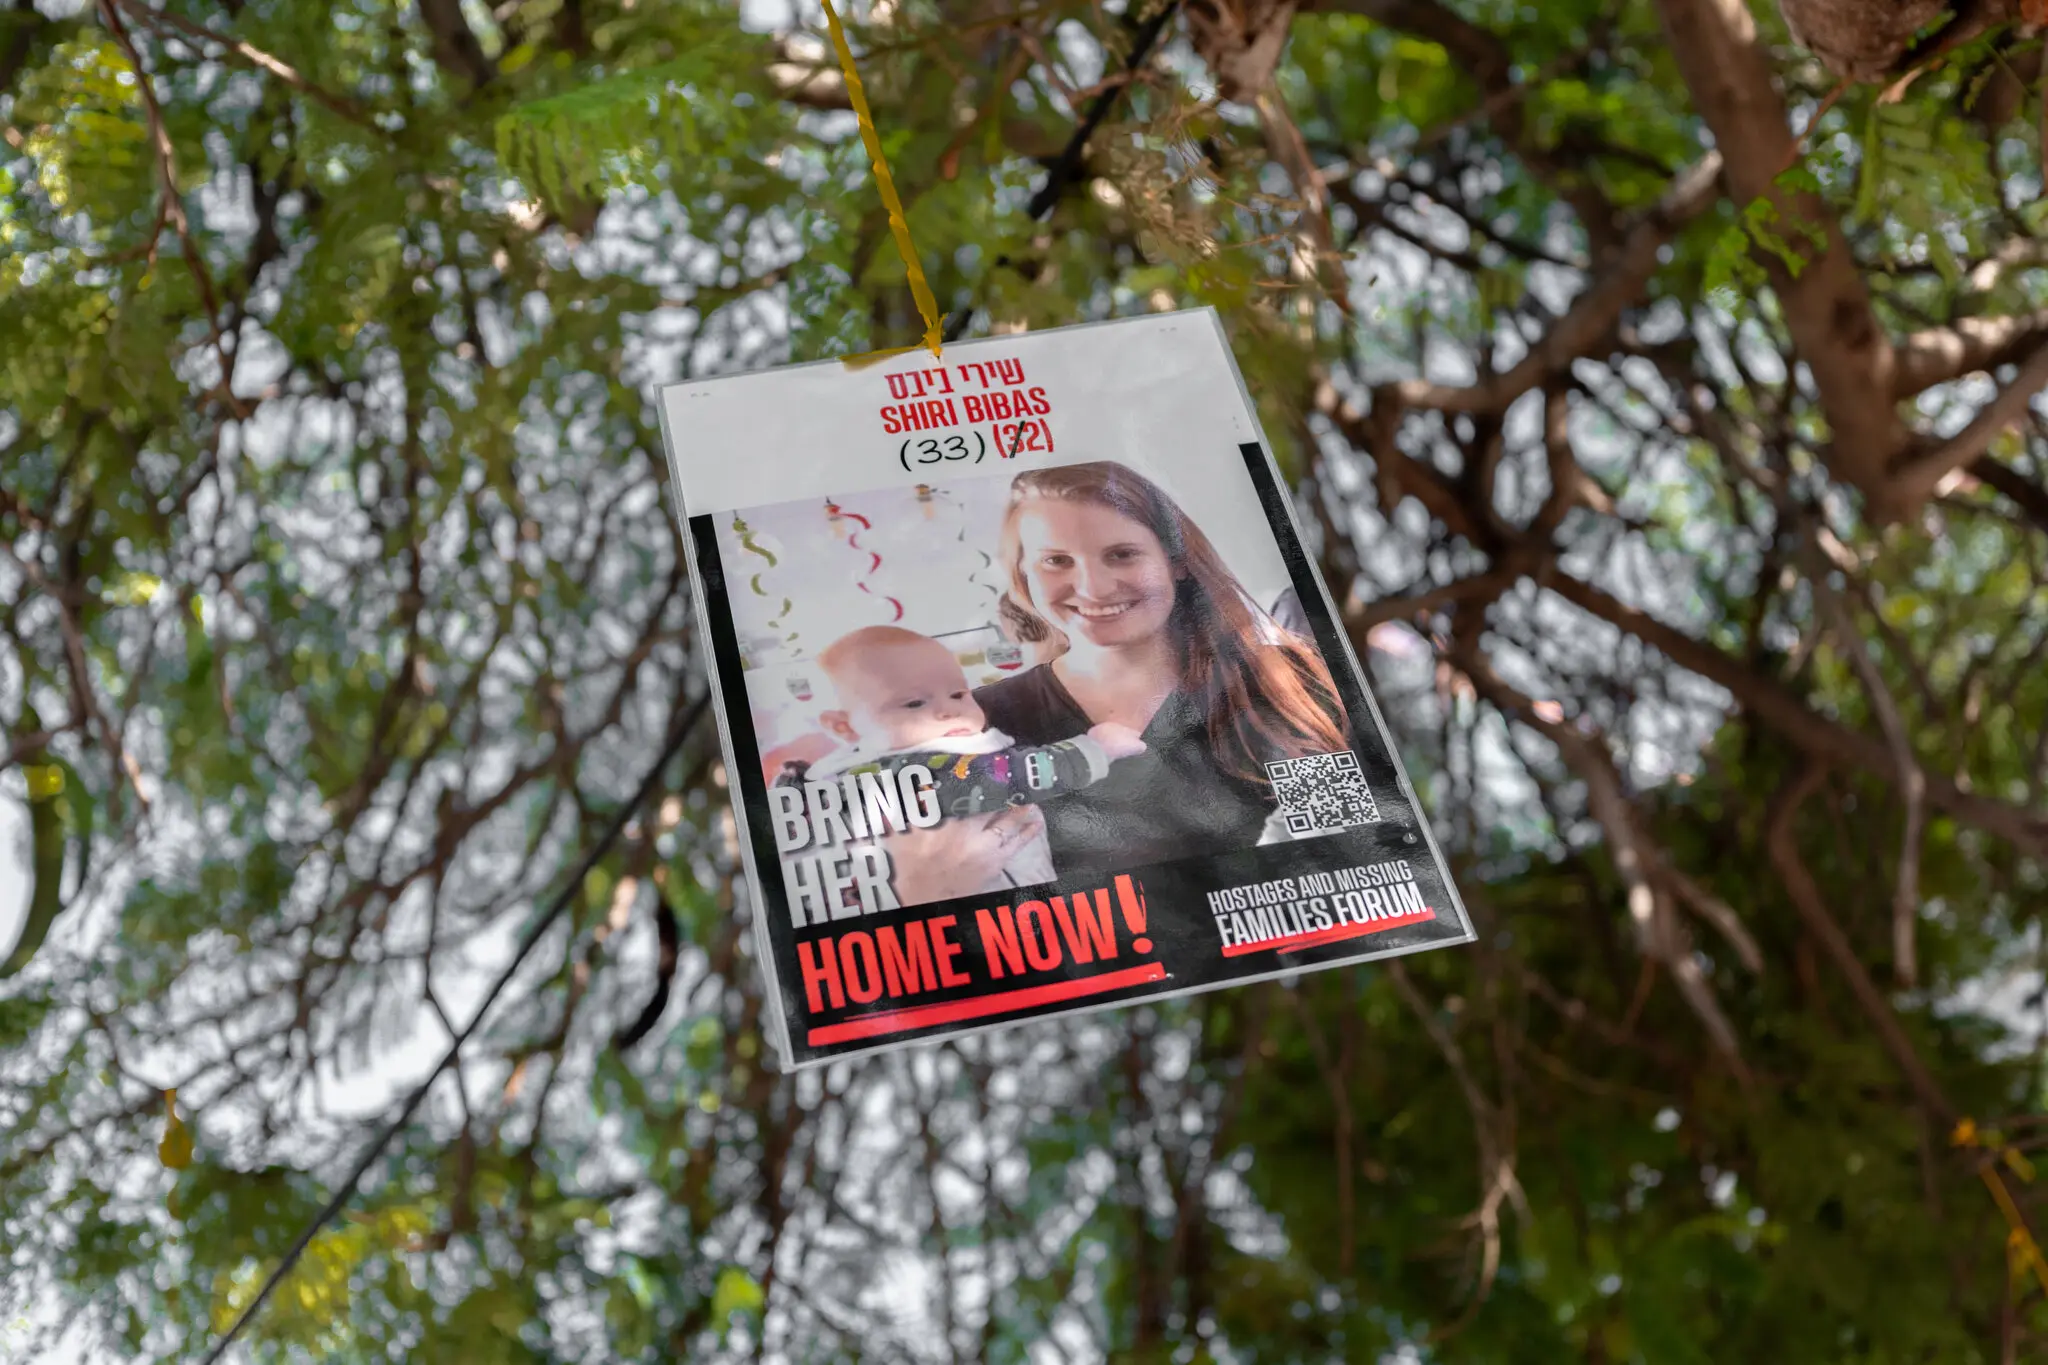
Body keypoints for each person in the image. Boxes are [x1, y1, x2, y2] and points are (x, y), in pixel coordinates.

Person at [885, 460, 1351, 898]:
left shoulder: (1284, 681)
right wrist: (919, 896)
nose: (1092, 588)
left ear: (1178, 561)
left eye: (1122, 554)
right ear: (1023, 575)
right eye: (1056, 561)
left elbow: (1353, 852)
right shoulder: (972, 725)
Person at [782, 624, 1147, 817]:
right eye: (912, 704)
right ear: (844, 727)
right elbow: (999, 777)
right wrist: (1092, 750)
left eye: (958, 694)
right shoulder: (906, 769)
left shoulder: (843, 770)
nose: (948, 710)